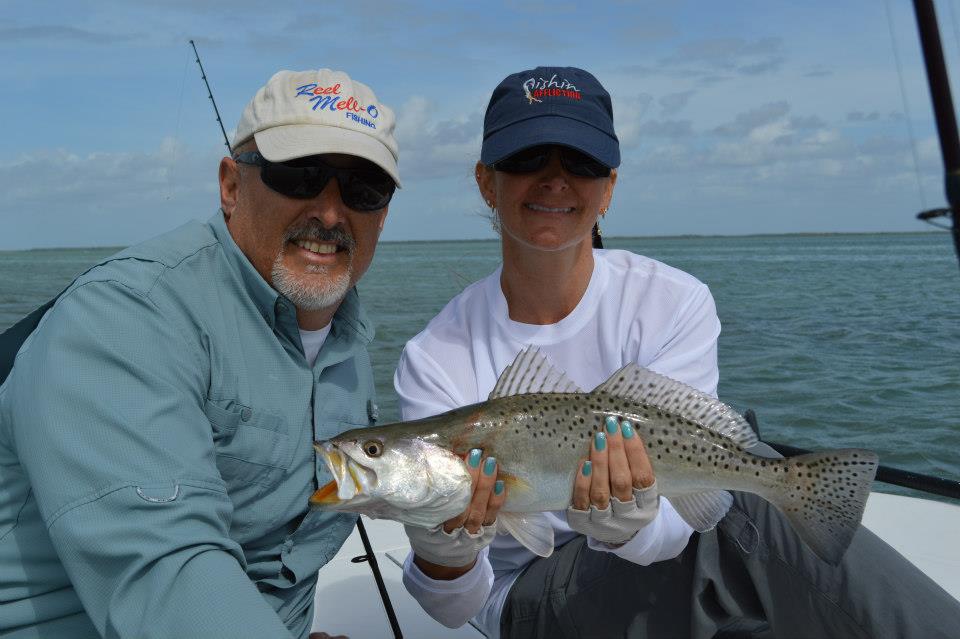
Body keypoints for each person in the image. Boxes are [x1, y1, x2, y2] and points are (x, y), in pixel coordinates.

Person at [394, 66, 960, 638]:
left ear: (608, 189)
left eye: (582, 163)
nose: (555, 181)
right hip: (528, 603)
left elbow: (681, 528)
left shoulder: (671, 300)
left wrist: (624, 526)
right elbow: (454, 609)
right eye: (527, 158)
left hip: (654, 569)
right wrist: (444, 547)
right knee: (754, 516)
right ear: (486, 182)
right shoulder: (436, 357)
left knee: (754, 556)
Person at [0, 69, 398, 639]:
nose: (331, 213)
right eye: (300, 175)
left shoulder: (344, 338)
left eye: (363, 190)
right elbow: (166, 577)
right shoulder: (125, 318)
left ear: (383, 214)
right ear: (231, 185)